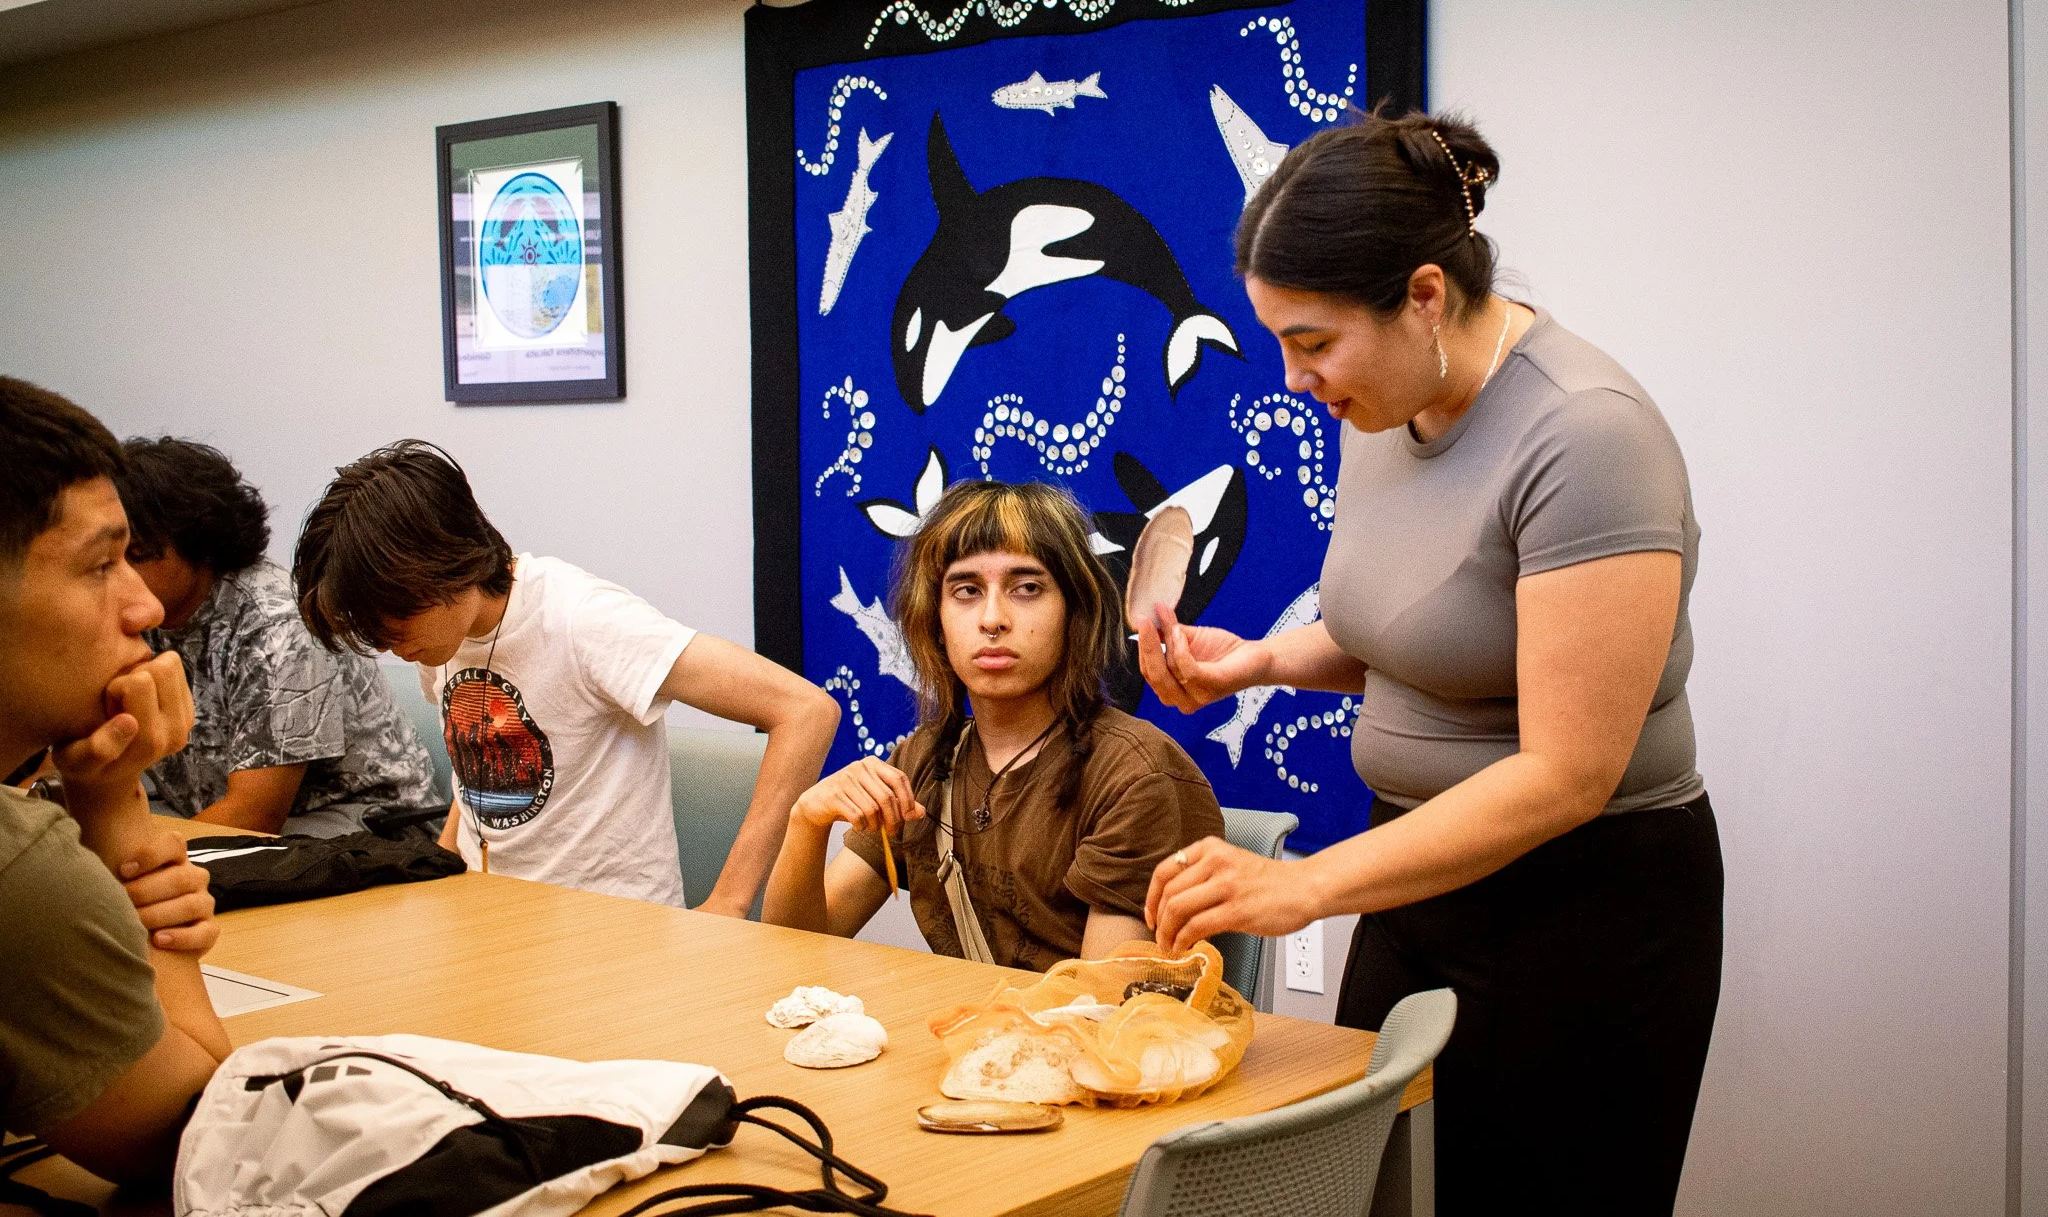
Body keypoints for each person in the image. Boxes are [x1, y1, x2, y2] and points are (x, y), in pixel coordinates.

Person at [1138, 111, 1720, 1216]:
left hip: (1583, 907)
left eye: (1312, 342)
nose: (1293, 377)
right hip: (1416, 885)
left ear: (1419, 296)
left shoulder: (1585, 436)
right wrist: (1256, 661)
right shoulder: (1382, 403)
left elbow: (1566, 771)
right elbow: (1409, 639)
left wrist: (1299, 886)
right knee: (1380, 1192)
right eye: (1276, 340)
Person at [292, 440, 838, 912]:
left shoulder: (581, 619)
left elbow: (806, 711)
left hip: (611, 935)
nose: (391, 646)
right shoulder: (439, 638)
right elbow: (477, 757)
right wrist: (442, 858)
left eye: (393, 623)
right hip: (486, 919)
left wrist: (729, 901)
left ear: (441, 565)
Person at [763, 480, 1224, 970]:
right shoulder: (922, 760)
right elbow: (797, 955)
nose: (992, 619)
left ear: (1076, 612)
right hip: (979, 1037)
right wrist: (806, 822)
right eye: (966, 590)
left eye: (1027, 588)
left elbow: (1098, 1011)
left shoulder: (1135, 777)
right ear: (934, 620)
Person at [0, 377, 231, 1184]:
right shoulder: (17, 876)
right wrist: (113, 801)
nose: (142, 608)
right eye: (101, 566)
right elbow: (203, 1139)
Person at [113, 437, 440, 836]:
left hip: (365, 825)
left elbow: (255, 815)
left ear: (197, 543)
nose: (118, 576)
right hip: (216, 819)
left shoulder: (278, 623)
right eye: (109, 558)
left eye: (137, 555)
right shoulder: (131, 616)